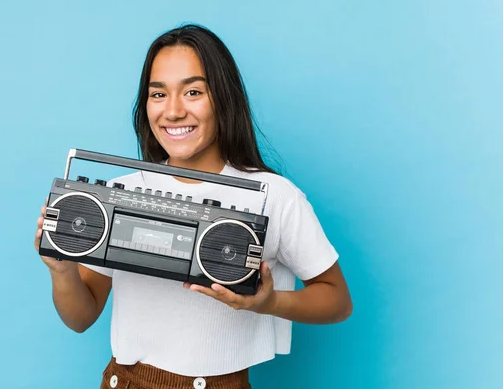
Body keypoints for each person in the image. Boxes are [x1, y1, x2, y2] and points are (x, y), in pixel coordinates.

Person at [34, 23, 352, 389]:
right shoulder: (119, 192)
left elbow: (338, 300)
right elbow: (81, 316)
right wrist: (62, 271)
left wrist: (266, 303)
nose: (172, 111)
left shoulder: (272, 196)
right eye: (158, 95)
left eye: (193, 92)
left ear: (223, 99)